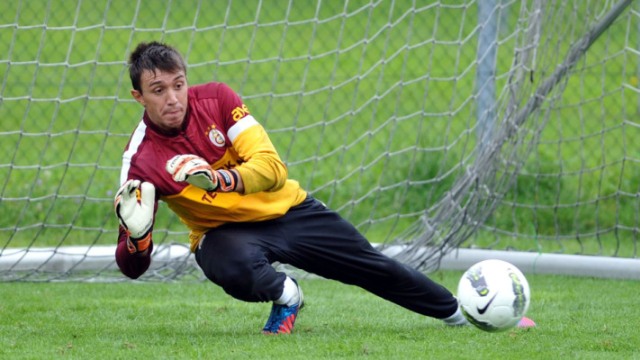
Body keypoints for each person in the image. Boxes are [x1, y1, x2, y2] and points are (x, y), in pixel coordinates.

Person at [114, 41, 533, 334]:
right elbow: (134, 268)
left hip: (289, 210)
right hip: (223, 233)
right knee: (232, 267)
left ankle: (464, 313)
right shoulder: (141, 162)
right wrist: (137, 236)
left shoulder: (219, 100)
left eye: (178, 84)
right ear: (139, 96)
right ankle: (288, 296)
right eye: (158, 90)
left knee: (372, 267)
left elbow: (272, 168)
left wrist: (223, 177)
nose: (173, 98)